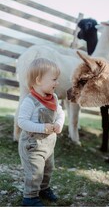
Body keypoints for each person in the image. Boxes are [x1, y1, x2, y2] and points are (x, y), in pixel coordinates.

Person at [18, 58, 65, 207]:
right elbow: (22, 122)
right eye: (54, 79)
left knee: (48, 169)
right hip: (32, 145)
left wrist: (58, 123)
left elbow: (60, 114)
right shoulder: (30, 101)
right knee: (35, 171)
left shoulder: (54, 98)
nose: (57, 83)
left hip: (48, 145)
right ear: (38, 80)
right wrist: (42, 127)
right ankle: (30, 198)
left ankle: (43, 189)